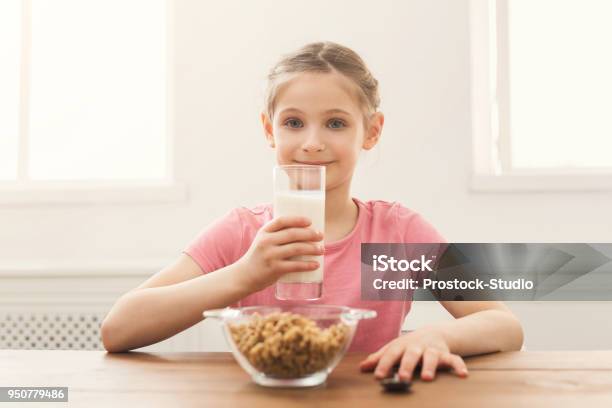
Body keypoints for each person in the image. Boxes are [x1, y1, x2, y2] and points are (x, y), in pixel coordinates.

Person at [101, 41, 523, 382]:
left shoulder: (397, 232)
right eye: (294, 122)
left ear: (371, 132)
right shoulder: (243, 232)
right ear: (270, 130)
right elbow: (118, 329)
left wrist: (437, 337)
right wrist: (246, 273)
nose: (312, 142)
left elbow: (503, 325)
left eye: (336, 123)